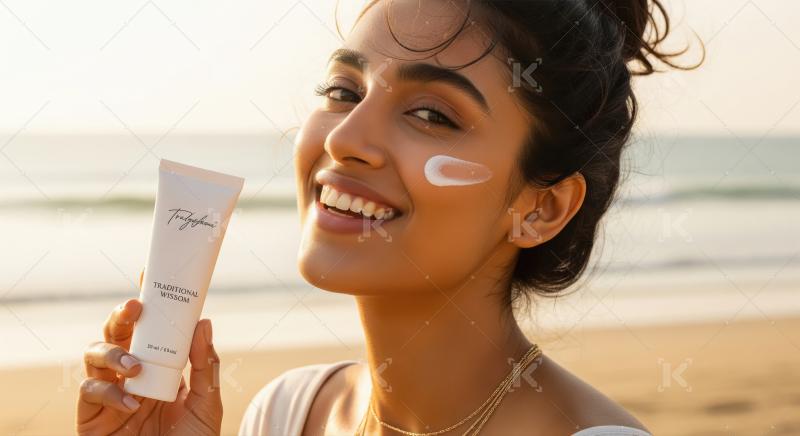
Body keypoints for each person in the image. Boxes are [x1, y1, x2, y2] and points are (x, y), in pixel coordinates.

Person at [76, 0, 702, 434]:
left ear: (541, 208)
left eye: (431, 115)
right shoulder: (286, 414)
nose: (345, 137)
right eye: (343, 91)